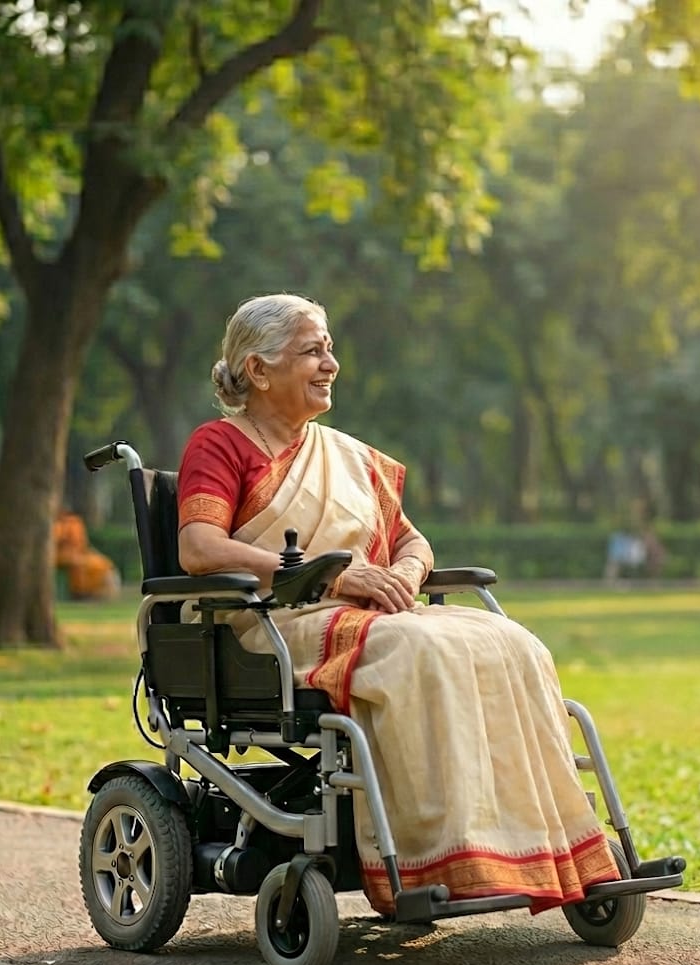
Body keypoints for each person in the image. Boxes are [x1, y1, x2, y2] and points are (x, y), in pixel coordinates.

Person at [176, 293, 620, 917]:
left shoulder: (347, 454)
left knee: (513, 642)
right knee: (417, 648)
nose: (330, 362)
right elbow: (199, 547)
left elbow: (412, 539)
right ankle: (439, 854)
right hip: (272, 621)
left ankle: (548, 846)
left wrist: (404, 572)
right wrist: (331, 576)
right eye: (312, 350)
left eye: (329, 347)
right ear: (258, 370)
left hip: (368, 610)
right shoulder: (220, 445)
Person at [52, 508, 121, 600]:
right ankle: (82, 593)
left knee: (102, 564)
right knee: (83, 564)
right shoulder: (57, 524)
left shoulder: (73, 522)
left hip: (76, 555)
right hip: (58, 556)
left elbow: (81, 543)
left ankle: (98, 594)